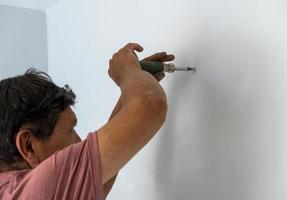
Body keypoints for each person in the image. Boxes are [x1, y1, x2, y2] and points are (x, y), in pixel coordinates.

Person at [0, 43, 174, 199]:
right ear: (28, 145)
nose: (79, 141)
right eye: (70, 130)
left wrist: (136, 77)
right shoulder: (34, 191)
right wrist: (128, 71)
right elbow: (150, 104)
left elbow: (98, 176)